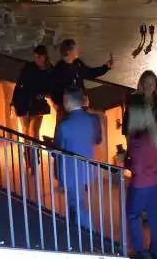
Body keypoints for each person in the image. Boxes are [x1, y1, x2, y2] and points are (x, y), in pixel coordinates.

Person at [54, 89, 102, 231]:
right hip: (87, 167)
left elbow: (59, 147)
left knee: (76, 203)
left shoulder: (64, 125)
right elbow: (97, 139)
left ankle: (89, 235)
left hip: (71, 170)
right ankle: (75, 229)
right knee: (77, 202)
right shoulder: (92, 120)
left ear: (67, 101)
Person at [124, 97, 157, 259]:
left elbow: (137, 167)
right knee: (154, 217)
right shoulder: (155, 133)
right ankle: (155, 252)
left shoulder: (135, 138)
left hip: (141, 183)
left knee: (133, 214)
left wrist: (125, 161)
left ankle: (139, 251)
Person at [51, 39, 112, 120]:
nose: (79, 51)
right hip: (66, 110)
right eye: (76, 49)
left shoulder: (77, 63)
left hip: (80, 106)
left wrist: (106, 67)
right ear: (69, 52)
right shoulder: (59, 69)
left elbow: (90, 73)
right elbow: (57, 93)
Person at [12, 45, 52, 142]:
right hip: (24, 102)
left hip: (37, 104)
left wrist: (45, 94)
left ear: (44, 56)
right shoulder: (29, 67)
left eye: (38, 57)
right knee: (26, 130)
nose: (36, 59)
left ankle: (34, 154)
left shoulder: (49, 70)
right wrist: (13, 102)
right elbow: (19, 85)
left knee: (34, 131)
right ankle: (29, 155)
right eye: (35, 57)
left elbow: (52, 86)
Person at [122, 70, 157, 136]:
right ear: (142, 84)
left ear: (156, 84)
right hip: (139, 137)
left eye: (153, 83)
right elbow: (126, 122)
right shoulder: (134, 99)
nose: (150, 86)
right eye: (147, 83)